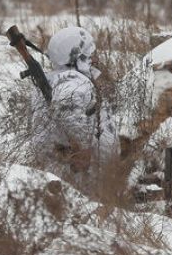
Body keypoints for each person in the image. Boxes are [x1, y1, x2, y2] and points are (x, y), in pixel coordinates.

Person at [31, 26, 119, 186]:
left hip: (71, 174)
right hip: (79, 177)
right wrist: (82, 152)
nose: (94, 58)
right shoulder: (72, 81)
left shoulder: (58, 79)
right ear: (77, 57)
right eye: (89, 54)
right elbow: (68, 112)